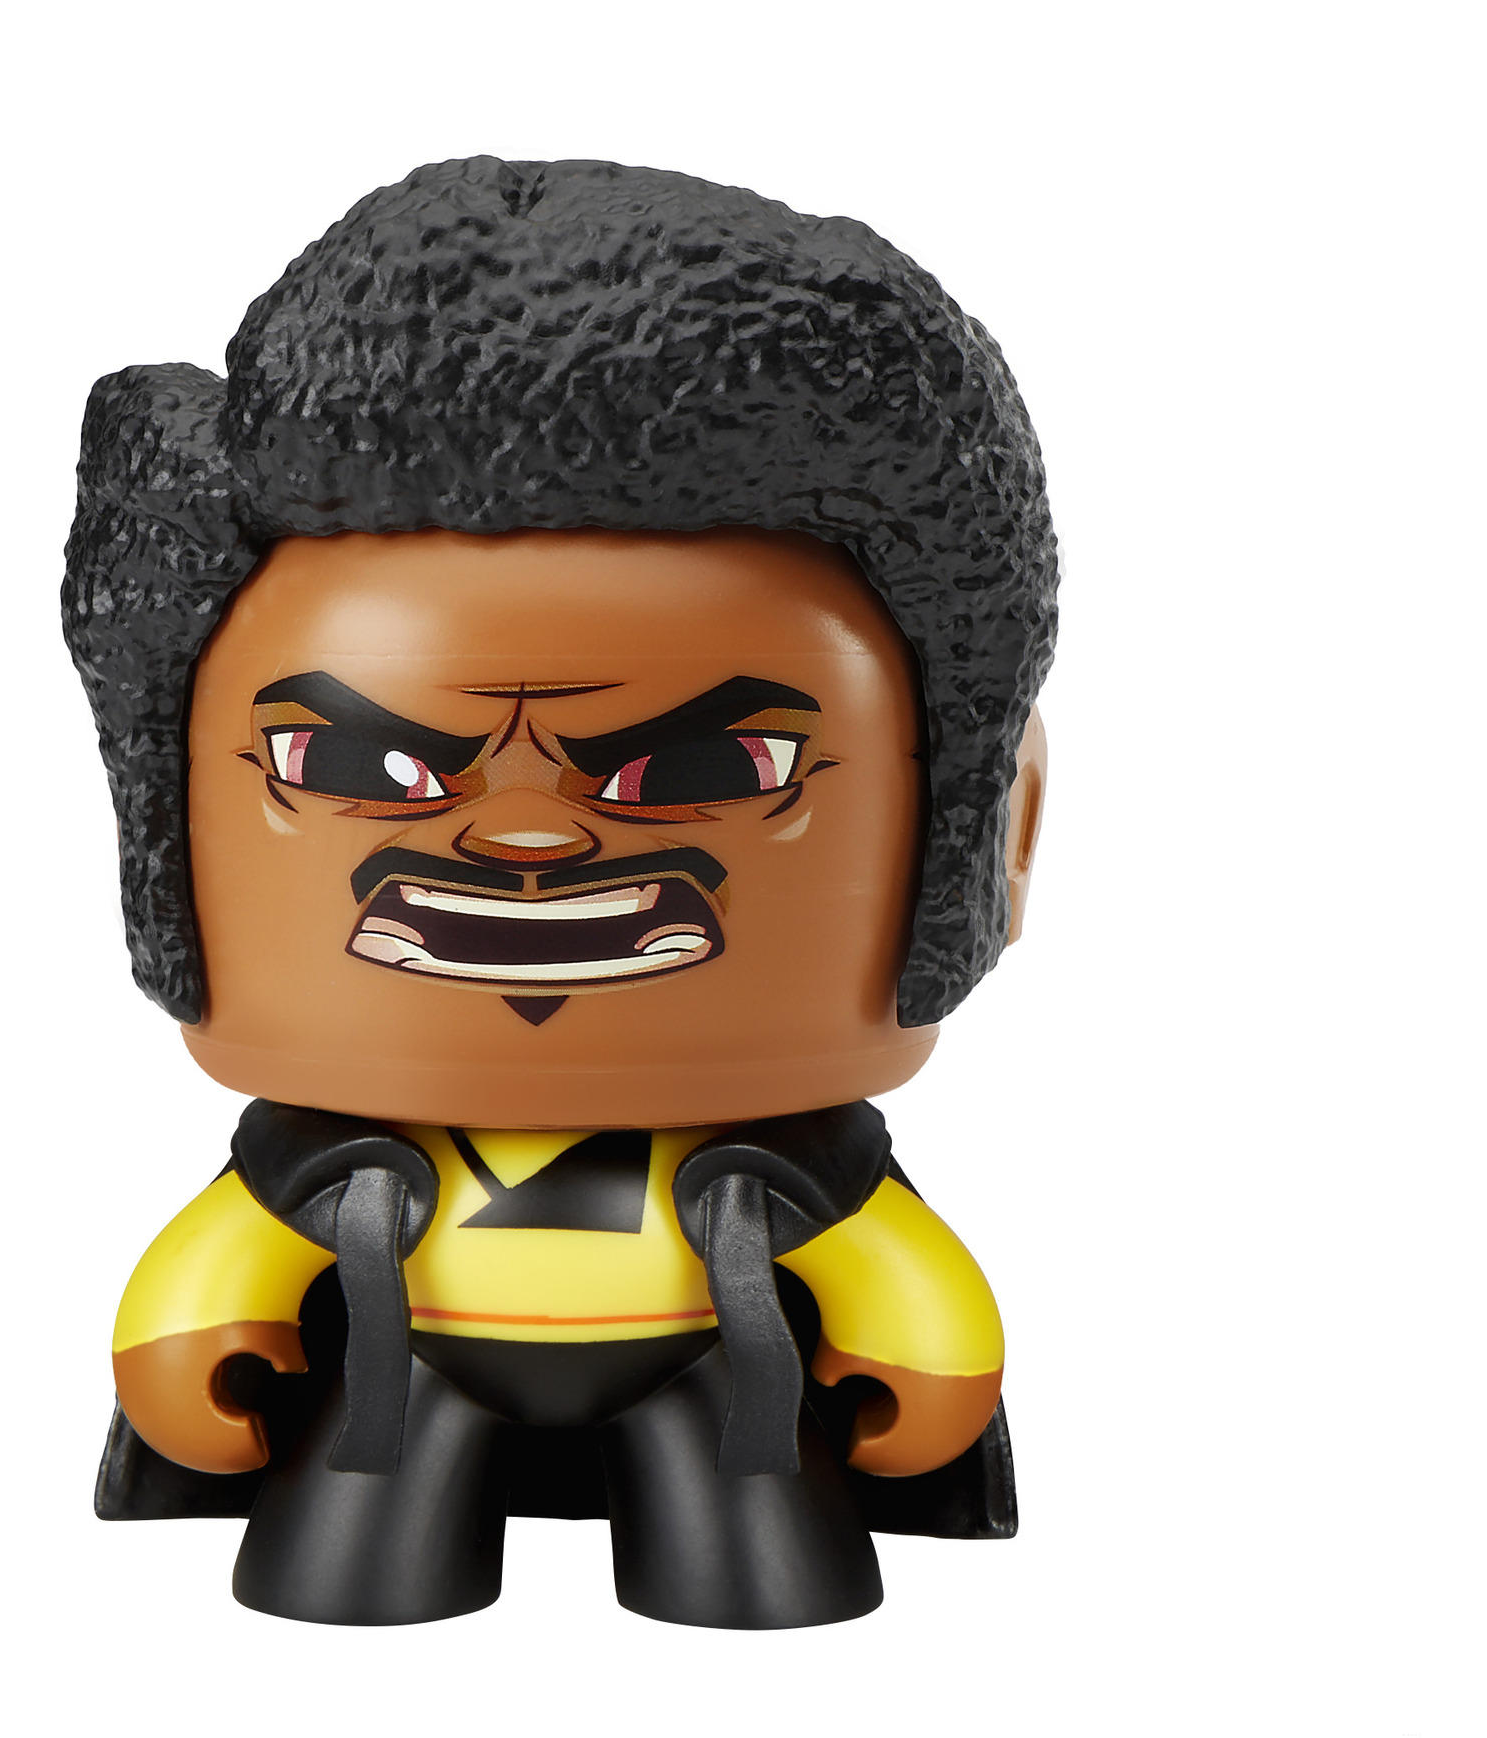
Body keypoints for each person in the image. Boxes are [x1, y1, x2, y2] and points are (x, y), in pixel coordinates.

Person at [64, 157, 1058, 1626]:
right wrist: (191, 1335)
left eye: (696, 766)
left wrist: (926, 1356)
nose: (525, 842)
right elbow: (229, 1255)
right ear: (168, 831)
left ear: (993, 830)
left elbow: (890, 1266)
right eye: (367, 765)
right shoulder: (328, 1151)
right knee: (347, 1572)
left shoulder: (789, 1153)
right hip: (395, 1407)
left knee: (756, 1571)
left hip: (720, 1408)